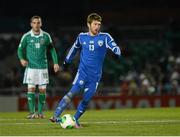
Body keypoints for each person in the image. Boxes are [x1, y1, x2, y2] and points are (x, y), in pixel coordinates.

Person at [50, 13, 121, 128]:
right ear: (88, 24)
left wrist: (117, 52)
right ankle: (55, 115)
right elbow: (73, 49)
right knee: (72, 93)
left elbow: (115, 47)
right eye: (95, 24)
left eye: (99, 24)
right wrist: (66, 62)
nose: (97, 27)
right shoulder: (82, 37)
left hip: (95, 77)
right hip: (82, 73)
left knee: (86, 100)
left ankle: (75, 120)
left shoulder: (105, 37)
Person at [17, 16, 60, 119]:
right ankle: (32, 112)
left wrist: (55, 63)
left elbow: (52, 50)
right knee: (31, 89)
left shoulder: (46, 36)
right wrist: (22, 59)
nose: (36, 25)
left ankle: (40, 113)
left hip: (43, 67)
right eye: (34, 23)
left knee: (42, 91)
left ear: (41, 24)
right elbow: (20, 49)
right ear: (31, 24)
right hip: (31, 67)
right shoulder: (26, 36)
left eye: (38, 23)